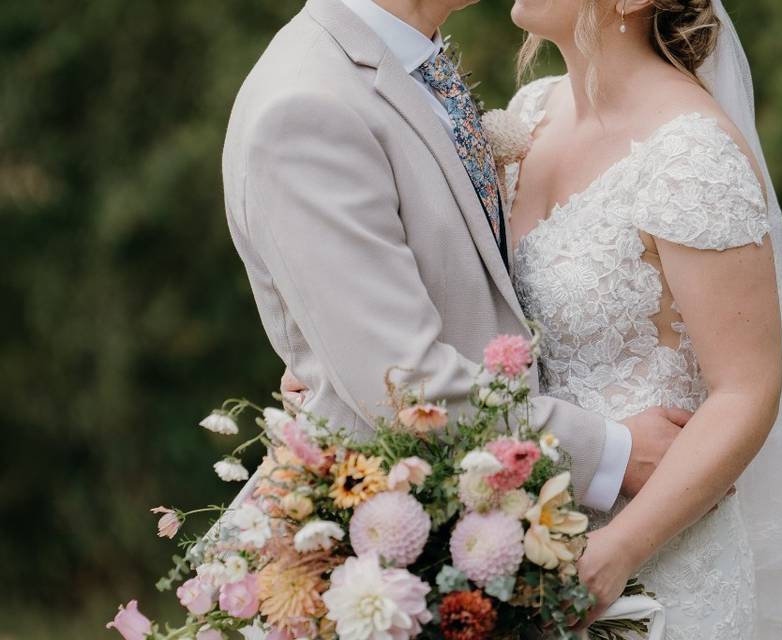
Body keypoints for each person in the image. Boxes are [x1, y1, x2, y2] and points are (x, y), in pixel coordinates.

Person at [221, 0, 689, 525]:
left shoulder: (411, 64)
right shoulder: (307, 105)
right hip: (397, 536)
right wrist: (611, 455)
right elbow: (404, 386)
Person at [503, 0, 782, 636]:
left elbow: (746, 391)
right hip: (520, 537)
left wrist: (618, 550)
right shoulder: (530, 114)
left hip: (651, 567)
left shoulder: (691, 154)